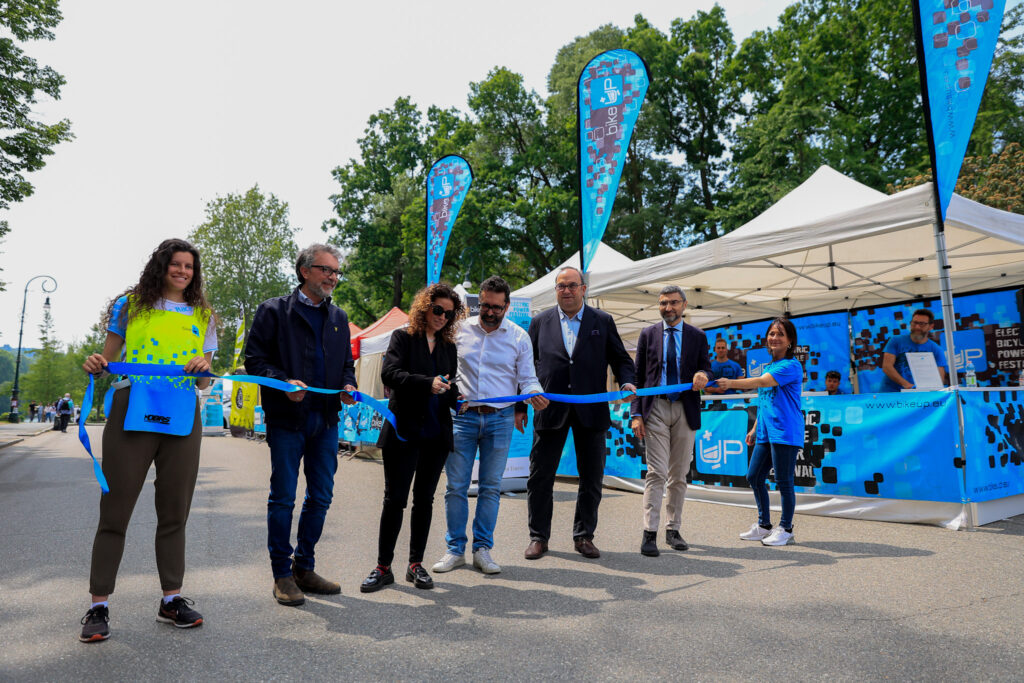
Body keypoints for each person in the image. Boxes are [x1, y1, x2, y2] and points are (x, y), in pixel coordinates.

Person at [78, 238, 218, 643]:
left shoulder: (203, 314)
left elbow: (206, 379)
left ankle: (171, 599)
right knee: (115, 511)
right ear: (161, 266)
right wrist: (95, 364)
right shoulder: (130, 306)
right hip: (131, 408)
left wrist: (202, 368)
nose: (182, 271)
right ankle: (98, 605)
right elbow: (107, 360)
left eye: (189, 266)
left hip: (181, 412)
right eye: (175, 264)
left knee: (175, 512)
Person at [245, 243, 357, 607]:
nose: (333, 277)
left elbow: (346, 366)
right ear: (305, 271)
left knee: (321, 497)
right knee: (283, 498)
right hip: (287, 421)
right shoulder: (273, 312)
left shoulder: (339, 318)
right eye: (326, 270)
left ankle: (304, 568)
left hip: (325, 421)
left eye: (336, 272)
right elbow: (255, 361)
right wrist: (283, 382)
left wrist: (348, 386)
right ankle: (281, 574)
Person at [432, 276, 548, 576]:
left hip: (499, 420)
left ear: (507, 306)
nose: (490, 312)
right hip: (462, 418)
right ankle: (455, 549)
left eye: (497, 307)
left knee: (490, 488)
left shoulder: (519, 337)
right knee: (455, 487)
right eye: (485, 305)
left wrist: (534, 393)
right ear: (477, 303)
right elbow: (442, 368)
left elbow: (528, 377)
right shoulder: (457, 331)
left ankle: (482, 549)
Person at [525, 266, 636, 561]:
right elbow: (525, 367)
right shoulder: (539, 322)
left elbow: (621, 359)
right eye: (561, 286)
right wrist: (518, 404)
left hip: (591, 411)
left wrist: (627, 380)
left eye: (572, 285)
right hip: (549, 410)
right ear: (556, 290)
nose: (567, 291)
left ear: (584, 288)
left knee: (591, 477)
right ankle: (538, 537)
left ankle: (584, 535)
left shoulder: (602, 320)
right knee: (540, 477)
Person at [361, 283, 464, 592]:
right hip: (403, 433)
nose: (443, 317)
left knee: (425, 501)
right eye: (437, 310)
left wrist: (458, 398)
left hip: (436, 434)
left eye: (449, 313)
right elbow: (390, 375)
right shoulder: (403, 338)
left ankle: (415, 565)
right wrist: (426, 383)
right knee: (395, 500)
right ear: (424, 308)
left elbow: (448, 386)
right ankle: (383, 567)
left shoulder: (449, 347)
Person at [630, 286, 712, 557]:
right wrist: (636, 414)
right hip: (655, 409)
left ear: (684, 305)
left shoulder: (697, 336)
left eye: (674, 303)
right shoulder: (648, 334)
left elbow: (706, 367)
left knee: (679, 474)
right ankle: (649, 532)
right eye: (663, 303)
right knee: (657, 471)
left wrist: (702, 373)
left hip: (685, 409)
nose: (668, 308)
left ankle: (673, 529)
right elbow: (637, 377)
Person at [717, 317, 804, 547]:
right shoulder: (770, 366)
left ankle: (786, 528)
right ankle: (764, 525)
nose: (774, 338)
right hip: (766, 431)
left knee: (784, 481)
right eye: (772, 334)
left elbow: (763, 383)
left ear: (790, 341)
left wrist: (732, 383)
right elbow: (765, 400)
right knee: (754, 476)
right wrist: (755, 428)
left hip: (785, 431)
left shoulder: (791, 366)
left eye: (780, 334)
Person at [880, 308, 947, 392]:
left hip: (917, 396)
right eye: (914, 323)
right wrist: (907, 385)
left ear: (931, 326)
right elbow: (887, 367)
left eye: (922, 324)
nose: (917, 327)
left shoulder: (936, 349)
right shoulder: (895, 341)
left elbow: (939, 379)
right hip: (891, 394)